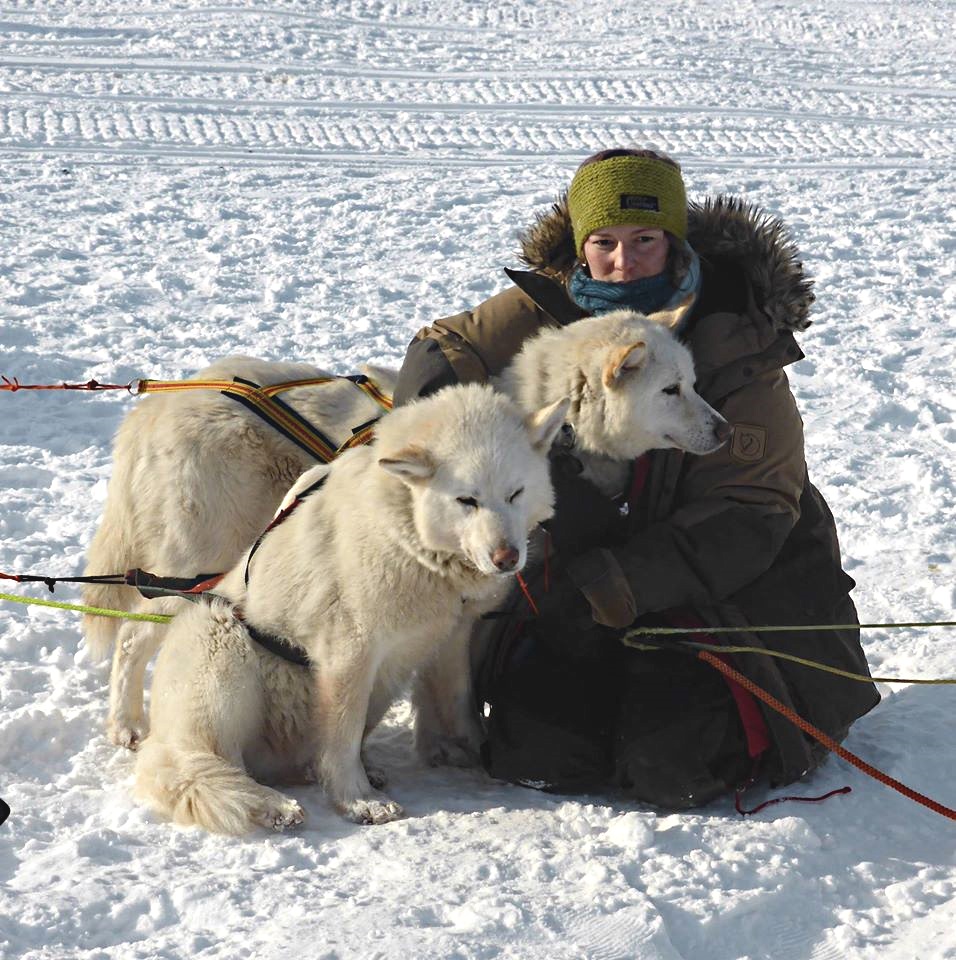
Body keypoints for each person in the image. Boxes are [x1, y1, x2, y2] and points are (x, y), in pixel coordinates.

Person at [393, 148, 880, 809]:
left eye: (645, 240)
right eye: (605, 243)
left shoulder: (737, 334)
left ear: (674, 243)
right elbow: (442, 352)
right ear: (580, 246)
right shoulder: (547, 303)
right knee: (536, 754)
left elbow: (750, 512)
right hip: (576, 588)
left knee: (674, 765)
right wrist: (460, 439)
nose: (623, 263)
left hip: (724, 587)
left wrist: (614, 583)